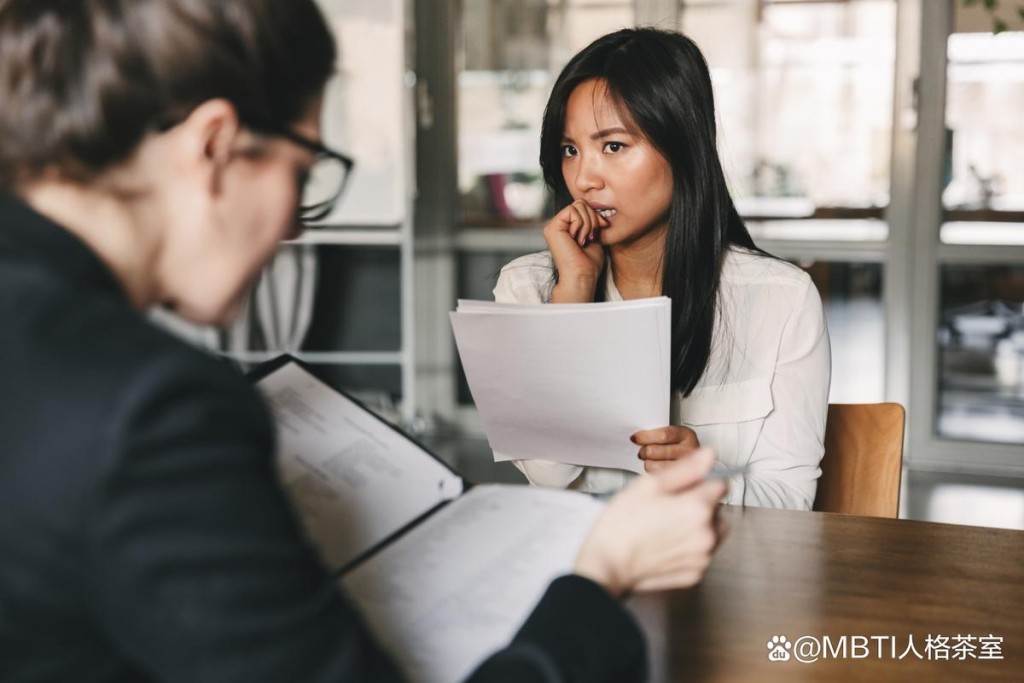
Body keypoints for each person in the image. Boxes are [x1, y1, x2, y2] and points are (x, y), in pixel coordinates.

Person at [0, 2, 727, 681]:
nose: (295, 225)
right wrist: (598, 579)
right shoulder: (155, 410)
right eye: (303, 171)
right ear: (215, 146)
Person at [494, 27, 831, 510]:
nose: (584, 180)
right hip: (588, 571)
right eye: (571, 150)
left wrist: (707, 478)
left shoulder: (781, 298)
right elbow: (550, 475)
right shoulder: (525, 287)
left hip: (724, 574)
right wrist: (575, 293)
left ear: (683, 146)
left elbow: (790, 499)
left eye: (612, 146)